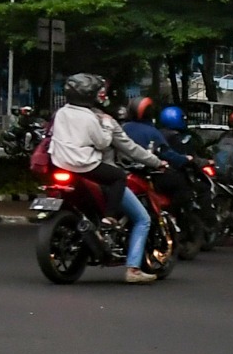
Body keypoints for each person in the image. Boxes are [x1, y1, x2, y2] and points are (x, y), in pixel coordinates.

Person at [48, 72, 165, 284]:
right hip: (90, 169)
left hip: (59, 163)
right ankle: (131, 265)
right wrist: (157, 163)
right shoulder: (102, 120)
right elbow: (123, 147)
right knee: (143, 219)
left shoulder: (62, 112)